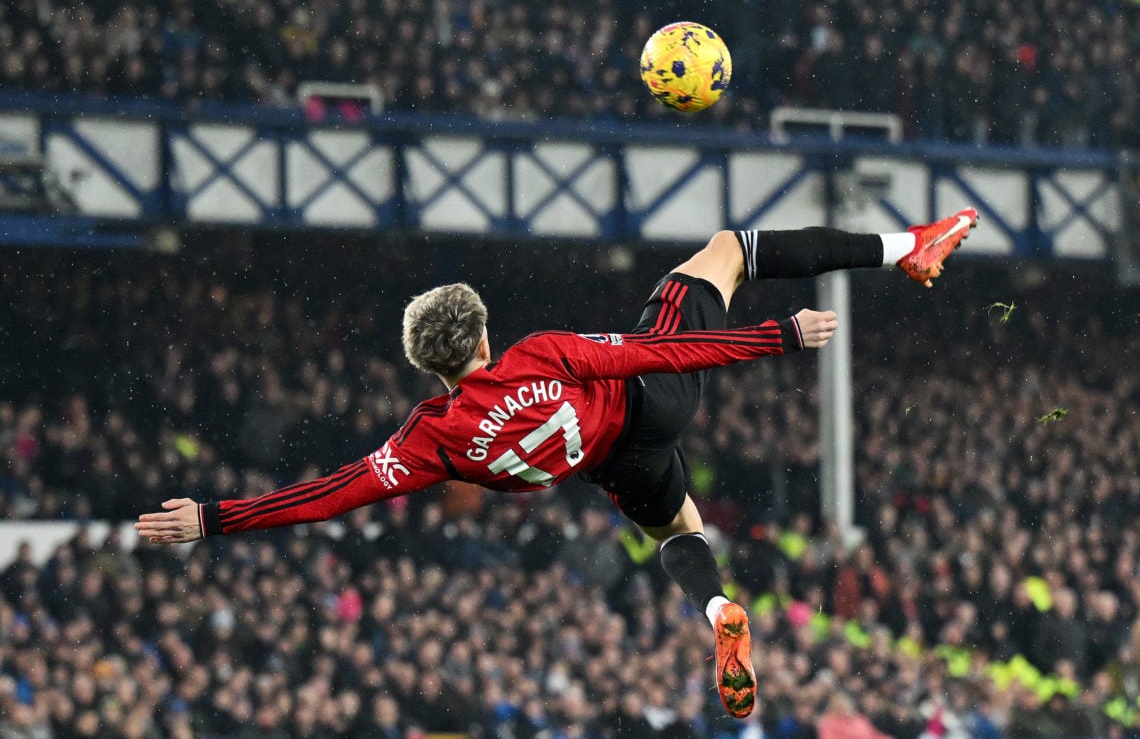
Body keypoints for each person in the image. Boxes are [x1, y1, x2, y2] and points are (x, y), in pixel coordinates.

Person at [136, 208, 977, 719]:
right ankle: (909, 245)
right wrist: (776, 336)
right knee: (729, 248)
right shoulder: (539, 355)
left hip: (612, 463)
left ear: (432, 366)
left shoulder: (433, 438)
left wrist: (213, 518)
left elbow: (331, 494)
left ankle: (719, 608)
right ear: (484, 334)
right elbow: (655, 357)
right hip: (652, 401)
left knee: (674, 526)